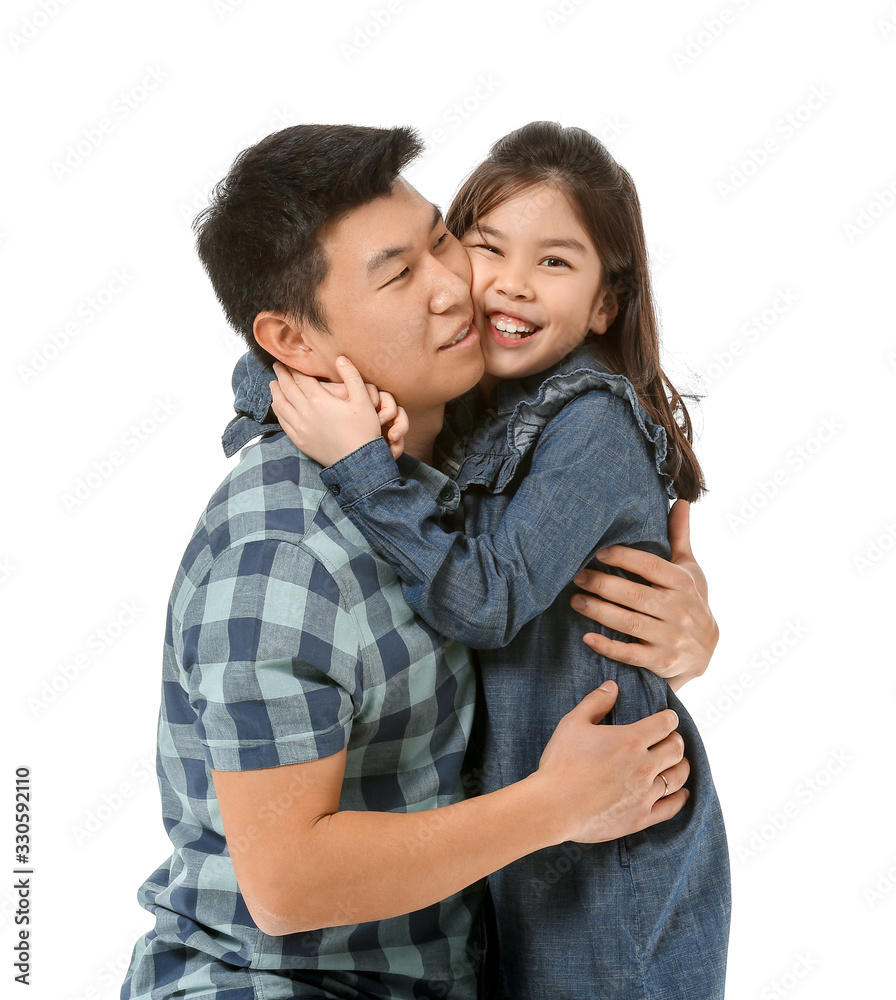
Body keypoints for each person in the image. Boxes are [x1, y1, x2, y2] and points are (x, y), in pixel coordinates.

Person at [120, 124, 719, 1000]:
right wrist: (558, 804)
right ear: (292, 342)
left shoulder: (456, 445)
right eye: (400, 274)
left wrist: (675, 630)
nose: (457, 288)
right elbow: (288, 887)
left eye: (443, 239)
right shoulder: (283, 551)